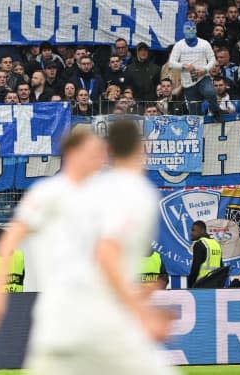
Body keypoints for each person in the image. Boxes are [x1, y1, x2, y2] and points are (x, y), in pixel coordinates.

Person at [0, 129, 108, 371]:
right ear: (73, 154)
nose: (100, 159)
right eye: (92, 153)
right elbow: (9, 240)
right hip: (59, 305)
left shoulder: (100, 196)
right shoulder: (47, 192)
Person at [75, 118, 177, 374]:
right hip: (108, 311)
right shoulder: (134, 192)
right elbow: (106, 252)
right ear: (143, 147)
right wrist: (142, 310)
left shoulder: (96, 188)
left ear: (108, 149)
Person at [168, 20, 220, 119]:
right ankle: (199, 130)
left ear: (196, 30)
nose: (191, 31)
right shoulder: (179, 45)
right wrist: (184, 66)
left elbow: (212, 59)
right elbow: (171, 63)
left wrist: (205, 69)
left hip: (203, 77)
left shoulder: (204, 44)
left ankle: (215, 110)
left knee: (210, 92)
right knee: (194, 112)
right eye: (188, 29)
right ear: (183, 31)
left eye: (193, 29)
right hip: (188, 82)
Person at [187, 220, 222, 287]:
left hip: (202, 284)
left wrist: (190, 284)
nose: (191, 233)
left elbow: (195, 268)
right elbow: (220, 265)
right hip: (215, 284)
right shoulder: (216, 244)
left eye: (194, 230)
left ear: (202, 231)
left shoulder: (200, 244)